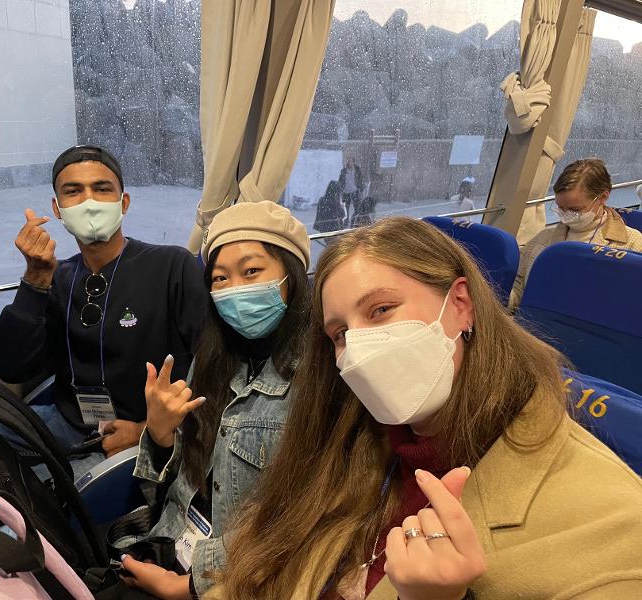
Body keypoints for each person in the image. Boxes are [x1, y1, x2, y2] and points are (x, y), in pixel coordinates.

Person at [207, 217, 642, 600]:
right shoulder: (349, 436)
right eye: (340, 334)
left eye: (380, 311)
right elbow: (263, 563)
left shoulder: (617, 530)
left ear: (460, 304)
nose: (357, 351)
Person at [119, 201, 311, 599]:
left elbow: (299, 518)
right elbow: (170, 491)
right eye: (220, 278)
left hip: (233, 579)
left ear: (291, 275)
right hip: (170, 541)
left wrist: (189, 586)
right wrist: (158, 434)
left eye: (252, 271)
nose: (235, 289)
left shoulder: (318, 377)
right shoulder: (212, 358)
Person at [0, 145, 206, 479]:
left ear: (124, 202)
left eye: (102, 189)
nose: (89, 201)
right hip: (67, 421)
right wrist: (35, 279)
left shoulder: (171, 266)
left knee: (35, 515)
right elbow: (10, 367)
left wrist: (148, 429)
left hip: (133, 432)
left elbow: (212, 365)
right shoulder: (56, 277)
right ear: (57, 208)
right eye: (73, 191)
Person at [510, 158, 642, 309]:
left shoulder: (633, 245)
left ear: (603, 197)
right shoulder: (542, 240)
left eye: (574, 210)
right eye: (560, 208)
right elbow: (519, 287)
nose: (565, 215)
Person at [338, 157, 364, 228]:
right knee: (346, 209)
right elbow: (340, 181)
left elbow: (361, 180)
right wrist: (341, 189)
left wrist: (360, 188)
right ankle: (346, 223)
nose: (349, 163)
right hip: (346, 192)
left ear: (353, 162)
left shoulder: (357, 170)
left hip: (355, 192)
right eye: (348, 161)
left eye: (351, 161)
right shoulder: (344, 170)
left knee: (357, 208)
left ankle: (355, 221)